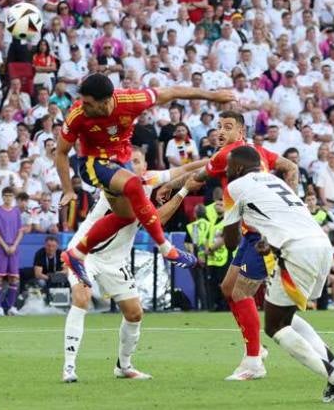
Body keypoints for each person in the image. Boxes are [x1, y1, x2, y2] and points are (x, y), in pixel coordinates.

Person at [57, 73, 234, 286]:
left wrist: (211, 96)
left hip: (119, 164)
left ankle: (77, 253)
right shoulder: (77, 114)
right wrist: (68, 190)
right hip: (92, 163)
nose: (82, 105)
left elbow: (173, 91)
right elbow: (61, 152)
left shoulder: (131, 100)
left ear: (105, 101)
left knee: (127, 216)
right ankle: (166, 248)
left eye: (88, 103)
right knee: (134, 184)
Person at [162, 110, 299, 381]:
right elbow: (291, 168)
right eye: (218, 127)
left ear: (241, 132)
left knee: (239, 293)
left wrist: (169, 187)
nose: (221, 132)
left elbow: (196, 176)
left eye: (227, 127)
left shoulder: (227, 154)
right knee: (228, 288)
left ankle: (253, 361)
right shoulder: (260, 151)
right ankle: (255, 350)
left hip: (261, 234)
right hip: (252, 231)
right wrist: (291, 200)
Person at [221, 145, 334, 403]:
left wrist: (240, 234)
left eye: (228, 165)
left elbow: (229, 241)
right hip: (320, 244)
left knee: (274, 326)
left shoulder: (235, 187)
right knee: (286, 315)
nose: (226, 170)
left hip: (297, 250)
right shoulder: (274, 180)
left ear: (237, 167)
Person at [63, 147, 206, 383]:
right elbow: (155, 221)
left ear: (144, 165)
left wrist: (217, 159)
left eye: (137, 161)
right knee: (82, 296)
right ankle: (69, 367)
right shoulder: (116, 186)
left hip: (115, 260)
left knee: (134, 313)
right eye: (128, 161)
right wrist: (182, 192)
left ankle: (124, 366)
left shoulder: (147, 180)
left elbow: (185, 168)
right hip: (85, 254)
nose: (132, 165)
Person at [0, 186, 24, 316]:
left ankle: (11, 306)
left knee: (14, 278)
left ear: (13, 197)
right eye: (6, 195)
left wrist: (14, 245)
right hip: (1, 248)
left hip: (14, 248)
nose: (8, 198)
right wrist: (5, 246)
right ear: (2, 197)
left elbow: (20, 231)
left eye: (10, 195)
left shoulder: (16, 212)